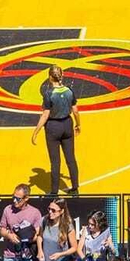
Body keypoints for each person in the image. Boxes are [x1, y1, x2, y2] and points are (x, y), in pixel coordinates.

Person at [30, 65, 80, 196]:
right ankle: (75, 188)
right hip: (67, 124)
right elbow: (75, 111)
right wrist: (78, 125)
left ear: (49, 77)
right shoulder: (69, 91)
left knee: (55, 161)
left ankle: (54, 192)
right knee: (71, 159)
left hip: (53, 127)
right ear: (62, 76)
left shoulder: (48, 94)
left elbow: (45, 114)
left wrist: (36, 131)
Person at [0, 184, 43, 261]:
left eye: (18, 199)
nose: (14, 200)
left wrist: (26, 238)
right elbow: (2, 229)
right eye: (13, 197)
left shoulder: (35, 212)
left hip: (28, 255)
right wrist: (9, 235)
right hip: (10, 254)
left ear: (26, 198)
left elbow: (38, 235)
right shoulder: (8, 209)